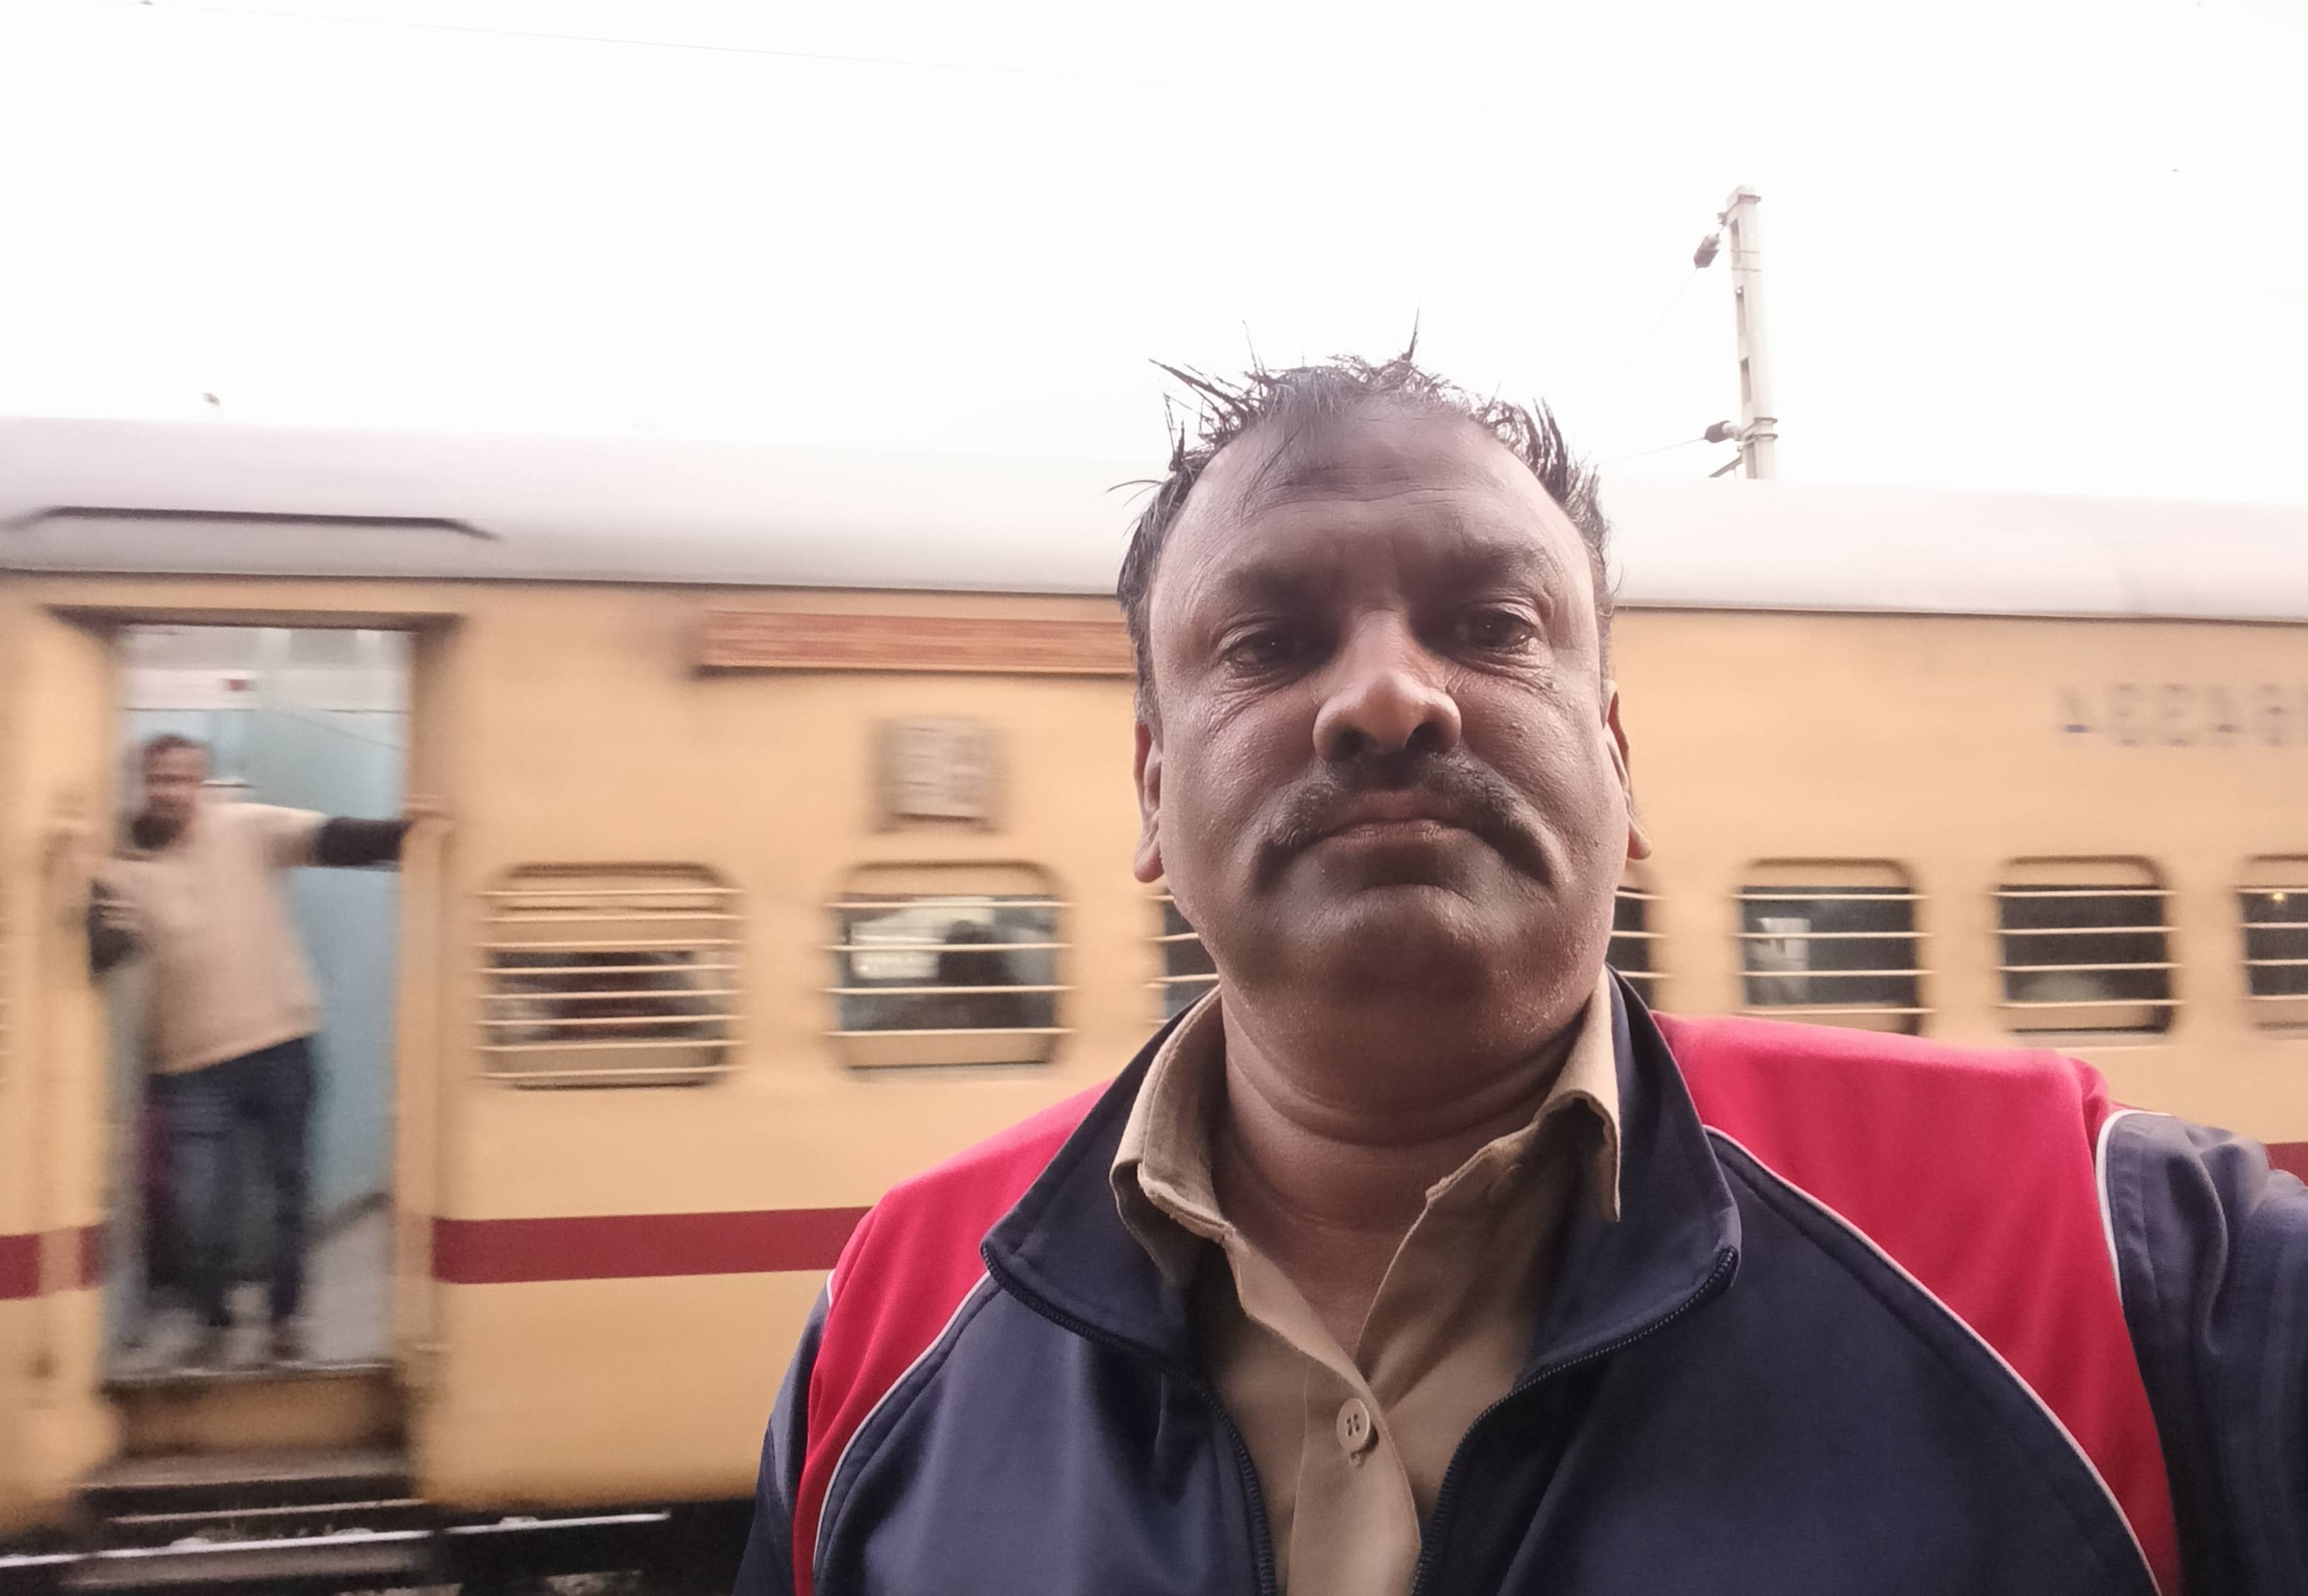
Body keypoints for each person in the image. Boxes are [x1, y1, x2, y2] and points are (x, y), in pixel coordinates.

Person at [734, 354, 2307, 1596]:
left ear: (1616, 763)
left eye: (1489, 623)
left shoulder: (2116, 1258)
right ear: (1152, 792)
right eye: (1269, 642)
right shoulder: (888, 1321)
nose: (1387, 697)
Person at [81, 733, 429, 1368]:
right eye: (159, 779)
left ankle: (284, 1324)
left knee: (287, 1193)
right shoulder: (123, 868)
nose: (170, 791)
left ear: (202, 783)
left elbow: (334, 839)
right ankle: (213, 1323)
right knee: (198, 1207)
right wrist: (78, 889)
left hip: (280, 1044)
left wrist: (422, 830)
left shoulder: (246, 828)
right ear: (141, 784)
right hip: (187, 1064)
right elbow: (106, 952)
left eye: (182, 778)